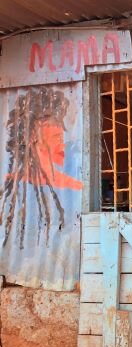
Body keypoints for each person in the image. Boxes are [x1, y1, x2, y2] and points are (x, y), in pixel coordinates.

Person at [0, 87, 82, 248]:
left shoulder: (74, 185)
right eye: (55, 138)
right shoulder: (14, 189)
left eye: (61, 137)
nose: (61, 144)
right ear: (31, 139)